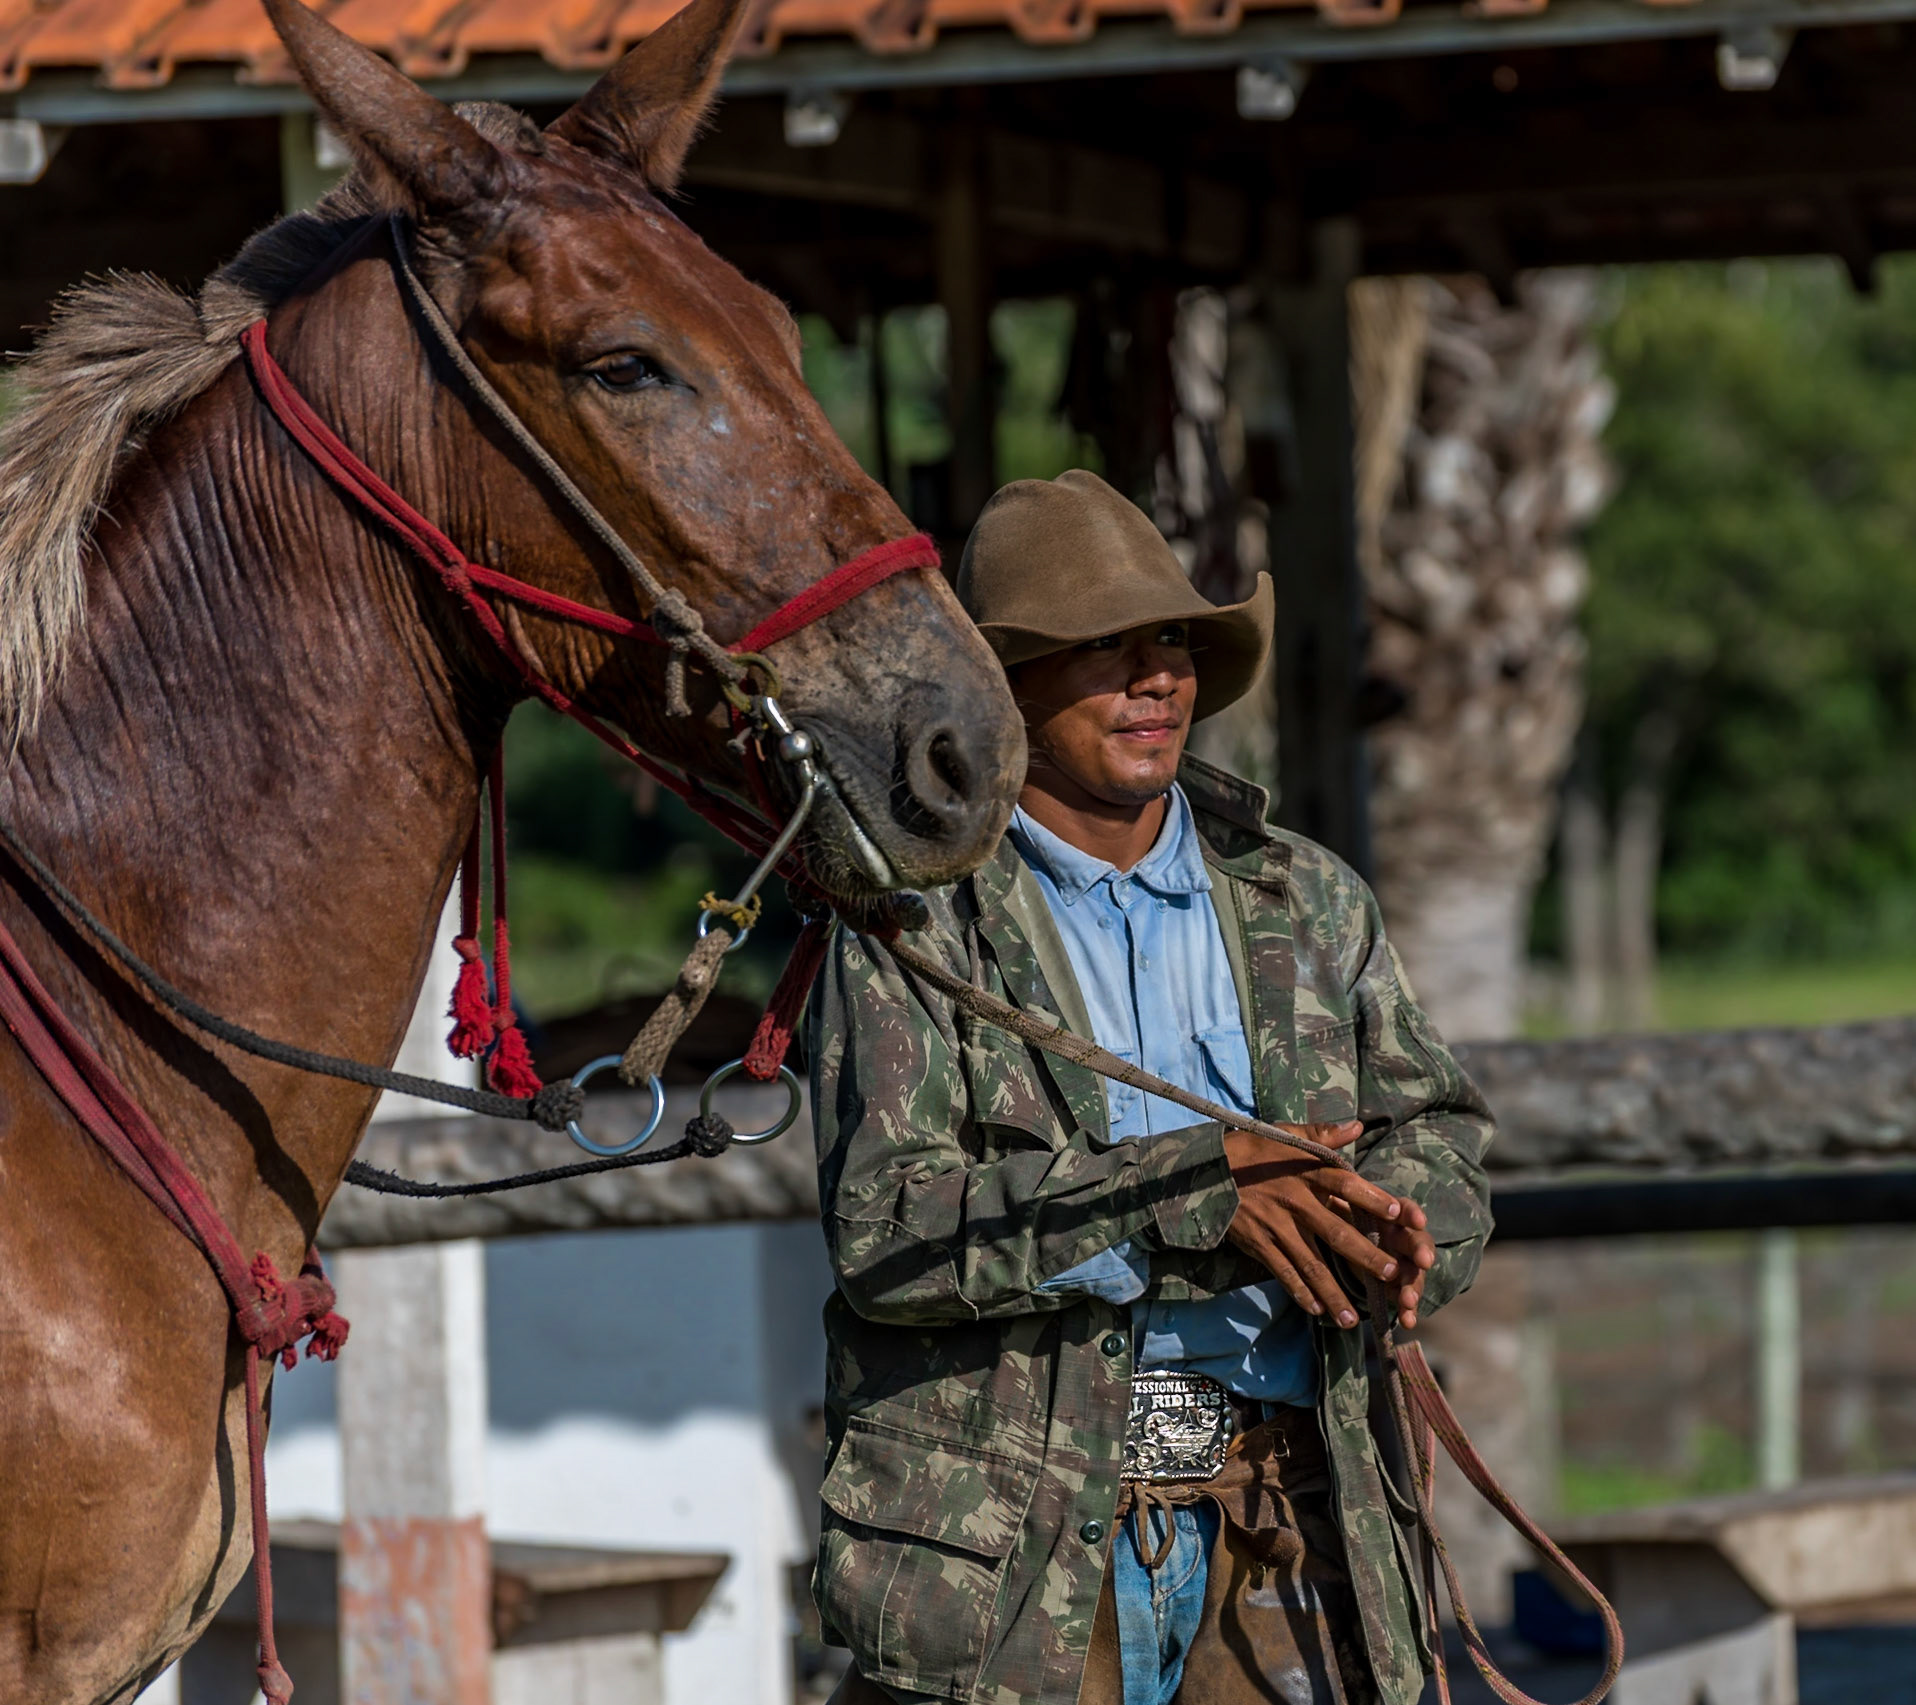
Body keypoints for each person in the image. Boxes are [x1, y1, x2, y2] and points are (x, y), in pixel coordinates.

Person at [807, 470, 1493, 1705]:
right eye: (1101, 647)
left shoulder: (1305, 897)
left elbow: (1435, 1135)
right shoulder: (912, 924)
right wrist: (1199, 1190)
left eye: (1172, 639)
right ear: (1004, 688)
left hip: (1288, 1512)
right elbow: (885, 1231)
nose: (1156, 675)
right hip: (1017, 1549)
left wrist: (1387, 1230)